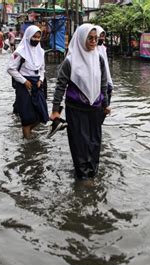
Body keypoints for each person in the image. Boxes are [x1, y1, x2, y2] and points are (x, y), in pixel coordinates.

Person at [50, 23, 111, 180]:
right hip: (76, 110)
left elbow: (103, 82)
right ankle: (83, 177)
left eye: (96, 38)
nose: (93, 42)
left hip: (95, 108)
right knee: (79, 144)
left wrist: (105, 104)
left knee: (95, 143)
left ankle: (92, 172)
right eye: (90, 38)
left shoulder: (99, 58)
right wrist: (55, 110)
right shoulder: (70, 61)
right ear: (82, 38)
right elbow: (60, 86)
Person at [7, 25, 49, 139]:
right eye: (34, 37)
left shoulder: (41, 51)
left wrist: (40, 79)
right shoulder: (20, 52)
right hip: (24, 85)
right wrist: (24, 81)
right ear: (28, 36)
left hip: (37, 84)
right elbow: (10, 68)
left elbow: (42, 69)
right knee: (27, 117)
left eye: (38, 37)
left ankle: (27, 132)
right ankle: (27, 143)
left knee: (42, 114)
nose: (36, 39)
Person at [95, 26, 113, 106]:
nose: (102, 38)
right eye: (100, 36)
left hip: (105, 82)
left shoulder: (103, 49)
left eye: (103, 36)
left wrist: (110, 83)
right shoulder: (91, 49)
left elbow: (106, 68)